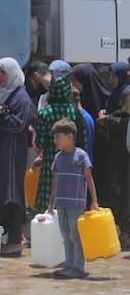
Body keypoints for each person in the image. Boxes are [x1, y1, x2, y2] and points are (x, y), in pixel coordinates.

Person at [0, 58, 34, 256]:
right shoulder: (5, 93)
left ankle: (14, 242)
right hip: (1, 155)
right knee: (3, 194)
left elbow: (18, 124)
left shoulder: (21, 97)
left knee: (12, 196)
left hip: (11, 155)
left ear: (12, 73)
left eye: (3, 72)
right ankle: (11, 238)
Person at [48, 118, 99, 279]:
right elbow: (55, 181)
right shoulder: (58, 158)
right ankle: (69, 265)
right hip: (61, 203)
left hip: (76, 204)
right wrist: (51, 203)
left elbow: (89, 179)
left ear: (70, 136)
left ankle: (78, 267)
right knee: (66, 236)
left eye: (58, 137)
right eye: (54, 137)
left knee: (75, 236)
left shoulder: (81, 156)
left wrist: (94, 200)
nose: (55, 140)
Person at [33, 73, 87, 213]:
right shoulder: (76, 113)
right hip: (73, 164)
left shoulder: (44, 113)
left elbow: (40, 142)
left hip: (50, 163)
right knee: (69, 203)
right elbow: (83, 140)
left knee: (48, 205)